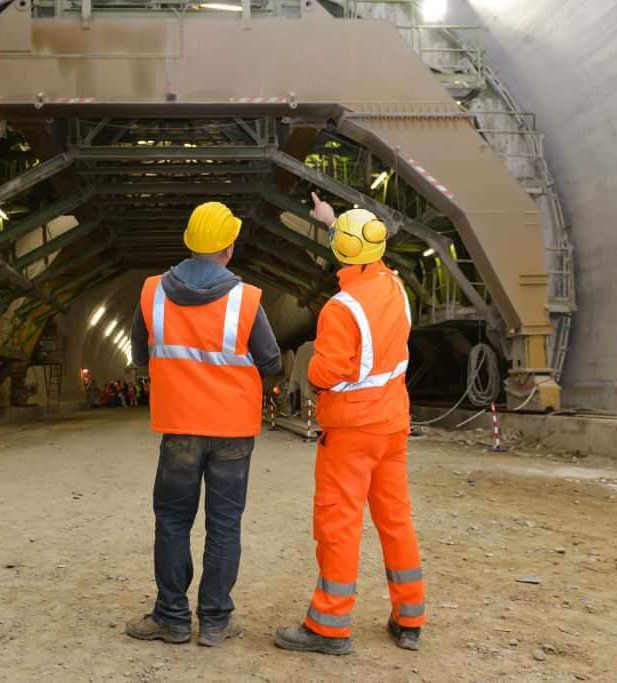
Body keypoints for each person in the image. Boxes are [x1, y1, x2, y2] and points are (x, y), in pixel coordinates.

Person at [125, 201, 282, 648]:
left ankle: (171, 618)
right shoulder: (246, 298)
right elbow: (270, 359)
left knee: (173, 521)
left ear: (190, 243)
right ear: (228, 248)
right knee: (225, 524)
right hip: (233, 431)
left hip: (180, 429)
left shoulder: (152, 292)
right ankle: (215, 621)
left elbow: (140, 356)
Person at [275, 193, 425, 655]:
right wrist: (331, 220)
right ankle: (410, 619)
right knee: (395, 521)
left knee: (339, 525)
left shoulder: (341, 309)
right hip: (392, 427)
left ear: (341, 253)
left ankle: (330, 626)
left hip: (351, 434)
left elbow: (325, 372)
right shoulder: (396, 289)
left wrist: (316, 364)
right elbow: (363, 242)